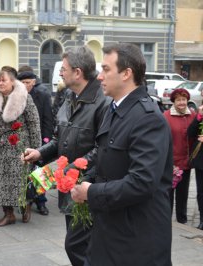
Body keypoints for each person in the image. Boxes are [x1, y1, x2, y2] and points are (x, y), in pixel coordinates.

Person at [70, 43, 173, 265]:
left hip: (137, 239)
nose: (99, 76)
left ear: (127, 73)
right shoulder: (115, 109)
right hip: (111, 230)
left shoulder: (148, 118)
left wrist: (92, 192)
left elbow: (142, 182)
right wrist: (82, 180)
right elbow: (106, 157)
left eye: (106, 69)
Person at [23, 46, 108, 266]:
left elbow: (102, 149)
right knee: (80, 245)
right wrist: (39, 153)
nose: (60, 73)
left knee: (77, 245)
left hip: (89, 188)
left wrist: (64, 170)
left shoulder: (102, 102)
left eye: (64, 68)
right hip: (69, 187)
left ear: (78, 72)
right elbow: (58, 139)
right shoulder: (69, 96)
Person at [0, 69, 41, 226]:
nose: (0, 83)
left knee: (21, 179)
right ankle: (8, 214)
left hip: (19, 145)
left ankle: (26, 206)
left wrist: (37, 150)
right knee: (1, 181)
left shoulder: (24, 97)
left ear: (12, 81)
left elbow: (33, 123)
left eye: (4, 80)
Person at [17, 71, 54, 216]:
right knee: (23, 172)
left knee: (41, 171)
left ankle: (41, 202)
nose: (26, 85)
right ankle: (23, 201)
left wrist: (46, 139)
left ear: (33, 82)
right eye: (23, 82)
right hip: (22, 139)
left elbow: (48, 119)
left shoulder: (42, 95)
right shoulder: (16, 96)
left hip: (40, 138)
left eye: (28, 82)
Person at [164, 88, 195, 224]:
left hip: (186, 162)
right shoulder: (166, 116)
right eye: (178, 100)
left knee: (183, 194)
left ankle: (182, 220)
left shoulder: (193, 115)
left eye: (184, 100)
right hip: (171, 162)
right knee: (168, 193)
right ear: (174, 102)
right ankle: (165, 220)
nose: (181, 103)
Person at [188, 105, 203, 230]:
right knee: (201, 192)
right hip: (201, 161)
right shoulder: (200, 115)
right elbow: (190, 133)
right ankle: (202, 219)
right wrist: (199, 117)